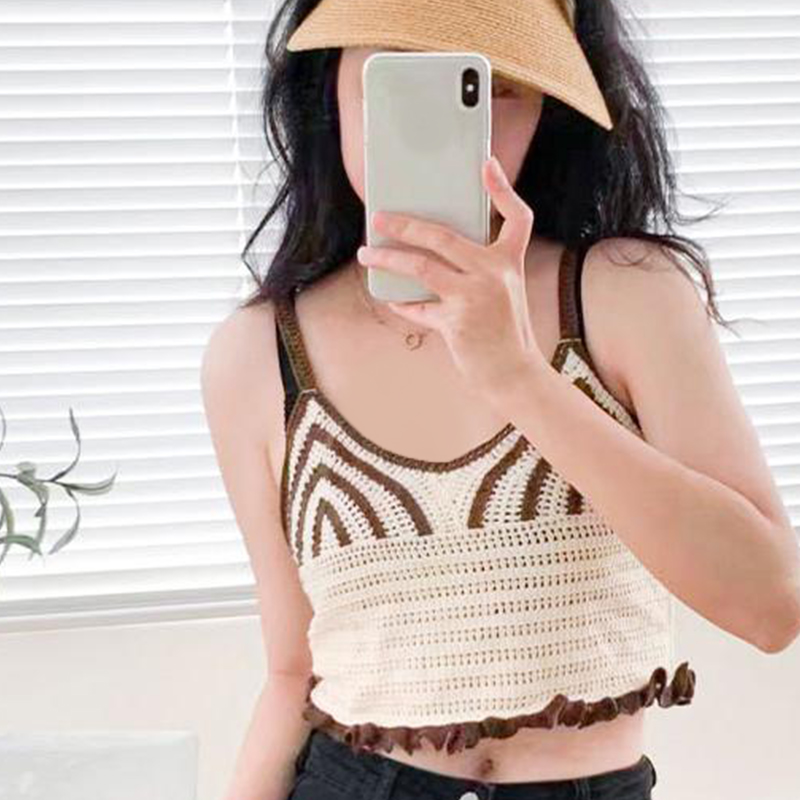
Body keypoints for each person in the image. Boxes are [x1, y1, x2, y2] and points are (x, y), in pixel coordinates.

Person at [201, 0, 800, 798]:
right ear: (330, 87)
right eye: (396, 76)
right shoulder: (259, 354)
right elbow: (290, 673)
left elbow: (770, 607)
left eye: (494, 87)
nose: (454, 127)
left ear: (547, 113)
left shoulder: (627, 294)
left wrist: (517, 375)